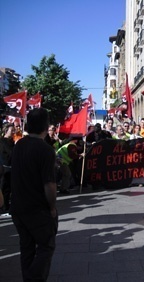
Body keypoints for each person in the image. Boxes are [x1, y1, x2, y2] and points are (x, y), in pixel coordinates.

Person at [10, 108, 58, 281]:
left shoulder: (19, 145)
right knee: (46, 246)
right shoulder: (45, 150)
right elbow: (49, 184)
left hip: (18, 206)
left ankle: (28, 277)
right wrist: (52, 207)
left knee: (27, 247)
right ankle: (33, 278)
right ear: (46, 126)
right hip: (37, 208)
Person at [0, 123, 15, 214]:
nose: (13, 132)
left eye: (14, 130)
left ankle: (7, 206)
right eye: (11, 130)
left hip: (11, 168)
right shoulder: (2, 141)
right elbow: (9, 154)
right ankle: (3, 207)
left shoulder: (12, 142)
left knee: (8, 189)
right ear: (6, 130)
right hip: (4, 169)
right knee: (3, 188)